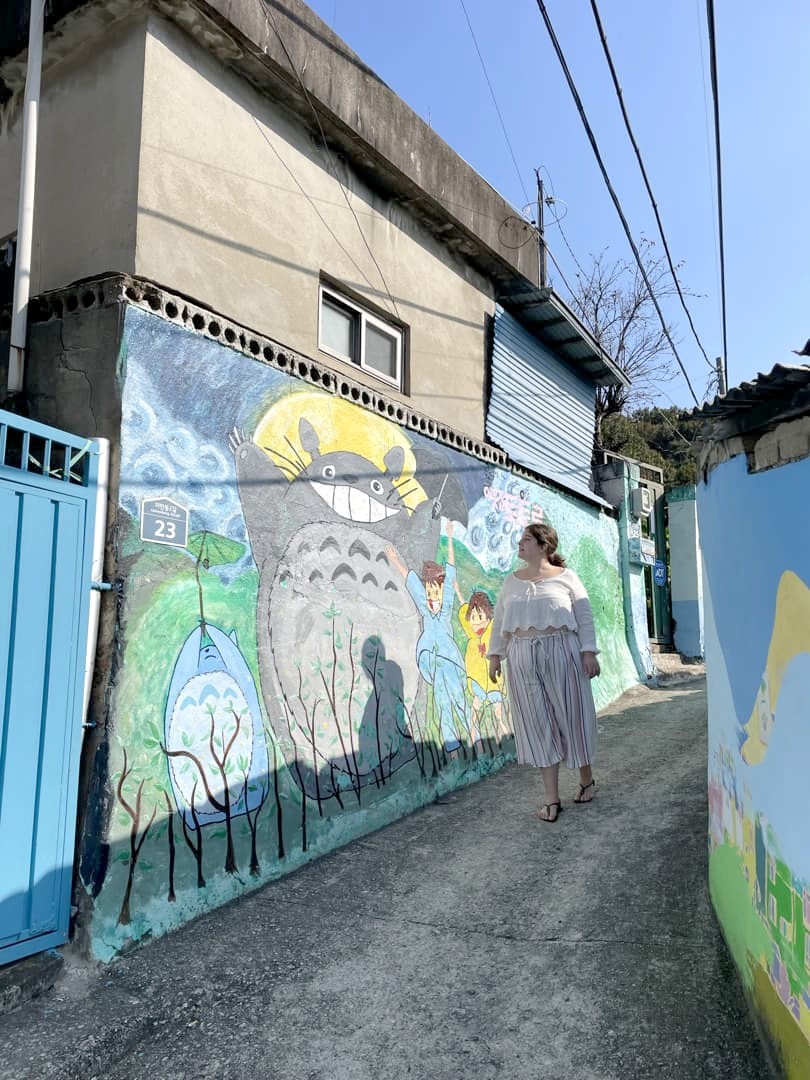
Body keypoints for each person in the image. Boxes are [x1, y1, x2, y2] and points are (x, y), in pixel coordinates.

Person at [487, 523, 600, 822]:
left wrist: (589, 651)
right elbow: (500, 621)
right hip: (521, 656)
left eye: (526, 539)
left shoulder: (566, 578)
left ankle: (586, 780)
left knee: (572, 717)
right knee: (538, 725)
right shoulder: (511, 582)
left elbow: (584, 617)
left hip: (563, 650)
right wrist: (495, 656)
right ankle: (552, 800)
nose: (520, 543)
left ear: (543, 545)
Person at [386, 522, 471, 757]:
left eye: (437, 592)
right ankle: (453, 751)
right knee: (444, 704)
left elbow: (451, 568)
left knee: (460, 701)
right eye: (430, 592)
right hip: (435, 663)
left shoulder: (446, 607)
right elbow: (411, 579)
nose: (434, 597)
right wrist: (395, 561)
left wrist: (450, 536)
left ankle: (476, 740)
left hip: (450, 661)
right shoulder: (425, 606)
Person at [454, 587, 508, 744]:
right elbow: (464, 608)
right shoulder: (472, 635)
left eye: (480, 617)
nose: (476, 622)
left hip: (494, 684)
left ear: (488, 617)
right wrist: (458, 591)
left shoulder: (492, 632)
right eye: (473, 618)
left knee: (499, 717)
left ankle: (508, 738)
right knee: (474, 714)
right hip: (478, 683)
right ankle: (477, 746)